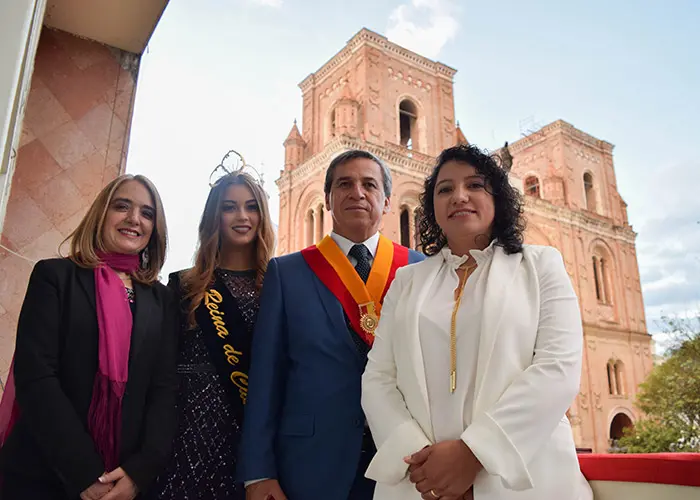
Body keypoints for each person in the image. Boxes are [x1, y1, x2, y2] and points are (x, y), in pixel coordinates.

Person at [361, 144, 593, 500]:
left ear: (498, 197)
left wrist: (473, 454)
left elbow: (558, 367)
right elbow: (378, 378)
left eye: (474, 185)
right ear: (432, 207)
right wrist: (427, 467)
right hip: (421, 485)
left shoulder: (541, 265)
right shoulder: (407, 282)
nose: (459, 196)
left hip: (523, 480)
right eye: (445, 189)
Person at [237, 150, 424, 500]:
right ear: (327, 200)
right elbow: (266, 375)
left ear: (386, 202)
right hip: (310, 463)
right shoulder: (288, 273)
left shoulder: (420, 269)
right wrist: (258, 472)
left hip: (406, 461)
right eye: (344, 184)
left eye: (369, 184)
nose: (357, 192)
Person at [0, 174, 178, 500]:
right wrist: (85, 473)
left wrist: (140, 471)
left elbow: (163, 389)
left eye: (147, 213)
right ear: (101, 214)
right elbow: (36, 376)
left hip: (124, 484)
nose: (134, 219)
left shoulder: (162, 300)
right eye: (121, 206)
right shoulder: (55, 277)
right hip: (44, 473)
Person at [148, 171, 275, 500]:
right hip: (186, 431)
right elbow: (160, 369)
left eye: (251, 207)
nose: (242, 216)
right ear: (214, 216)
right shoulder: (183, 285)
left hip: (249, 435)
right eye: (230, 207)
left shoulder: (279, 287)